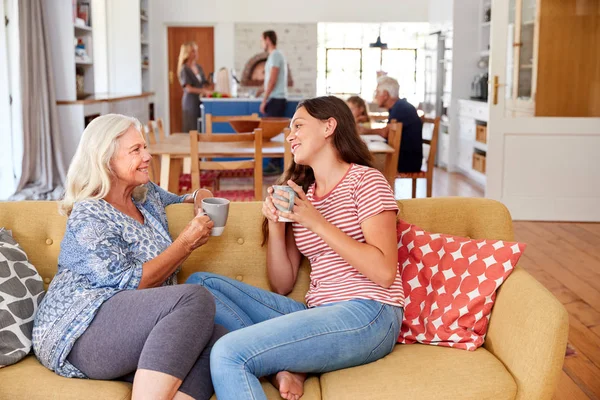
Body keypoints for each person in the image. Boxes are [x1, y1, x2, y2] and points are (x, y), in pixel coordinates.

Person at [187, 96, 404, 400]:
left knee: (228, 353)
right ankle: (285, 363)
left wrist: (315, 221)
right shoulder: (305, 196)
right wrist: (276, 225)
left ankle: (284, 361)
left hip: (369, 313)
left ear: (329, 126)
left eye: (298, 126)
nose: (290, 136)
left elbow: (384, 273)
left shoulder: (366, 181)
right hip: (316, 312)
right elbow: (283, 283)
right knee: (199, 286)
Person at [32, 114, 226, 400]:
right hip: (79, 330)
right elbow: (128, 284)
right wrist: (186, 243)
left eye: (144, 147)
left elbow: (182, 198)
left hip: (129, 329)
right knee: (195, 298)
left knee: (218, 338)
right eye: (136, 150)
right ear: (105, 159)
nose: (147, 156)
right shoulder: (89, 214)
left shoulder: (144, 195)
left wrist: (202, 196)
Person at [359, 76, 423, 173]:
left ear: (385, 94)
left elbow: (385, 132)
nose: (375, 96)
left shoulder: (401, 108)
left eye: (377, 92)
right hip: (402, 158)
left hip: (406, 162)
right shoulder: (399, 106)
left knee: (361, 160)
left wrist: (363, 130)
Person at [178, 41, 211, 132]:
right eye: (193, 51)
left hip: (199, 101)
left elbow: (203, 83)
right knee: (192, 128)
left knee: (200, 128)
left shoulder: (198, 67)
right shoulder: (184, 69)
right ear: (187, 53)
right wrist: (203, 91)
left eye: (196, 50)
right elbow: (188, 88)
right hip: (190, 103)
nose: (196, 53)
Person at [258, 30, 288, 117]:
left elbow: (272, 80)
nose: (261, 44)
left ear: (267, 40)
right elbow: (270, 80)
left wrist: (264, 100)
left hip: (276, 100)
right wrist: (260, 91)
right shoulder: (274, 55)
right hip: (276, 100)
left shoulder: (275, 55)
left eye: (262, 41)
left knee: (271, 129)